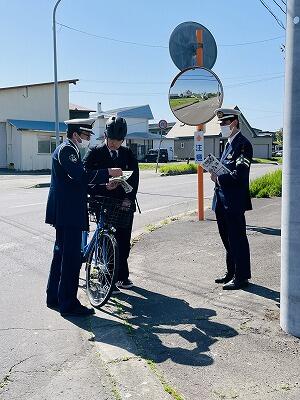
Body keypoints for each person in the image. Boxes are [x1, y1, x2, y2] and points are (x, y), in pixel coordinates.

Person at [45, 121, 123, 316]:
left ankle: (54, 296)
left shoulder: (70, 149)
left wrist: (105, 185)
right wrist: (108, 173)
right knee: (70, 258)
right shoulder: (67, 150)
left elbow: (79, 182)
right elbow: (81, 175)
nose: (87, 140)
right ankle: (69, 304)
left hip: (66, 211)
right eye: (86, 136)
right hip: (68, 213)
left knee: (61, 255)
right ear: (75, 135)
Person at [83, 116, 139, 293]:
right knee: (106, 240)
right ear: (106, 135)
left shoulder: (127, 153)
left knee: (124, 240)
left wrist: (128, 198)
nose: (115, 144)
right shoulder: (95, 152)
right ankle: (106, 278)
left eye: (119, 141)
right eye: (112, 140)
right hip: (102, 202)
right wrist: (103, 185)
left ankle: (122, 276)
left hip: (123, 204)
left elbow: (135, 177)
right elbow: (85, 175)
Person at [211, 108, 253, 290]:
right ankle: (231, 272)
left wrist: (218, 178)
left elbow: (240, 175)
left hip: (234, 202)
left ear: (234, 122)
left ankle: (241, 276)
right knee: (227, 239)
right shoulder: (228, 144)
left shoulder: (243, 145)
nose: (222, 127)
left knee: (237, 239)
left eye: (224, 123)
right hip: (221, 200)